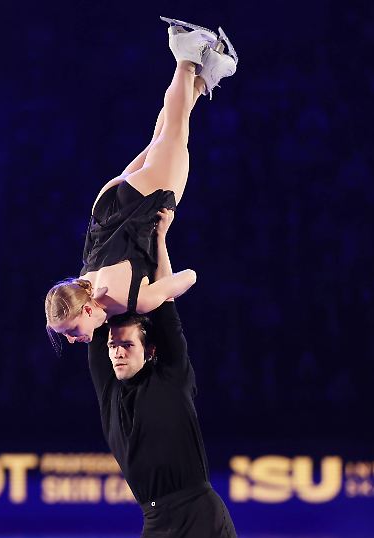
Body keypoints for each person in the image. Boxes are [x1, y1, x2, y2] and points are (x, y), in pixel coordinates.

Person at [92, 196, 280, 538]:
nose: (116, 352)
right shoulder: (108, 389)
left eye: (126, 344)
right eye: (113, 345)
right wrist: (96, 251)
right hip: (155, 528)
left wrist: (159, 239)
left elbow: (167, 304)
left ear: (149, 350)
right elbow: (90, 310)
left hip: (197, 519)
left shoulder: (171, 375)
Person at [44, 19, 237, 346]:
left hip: (143, 204)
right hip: (106, 205)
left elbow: (188, 277)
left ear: (88, 311)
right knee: (164, 135)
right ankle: (208, 72)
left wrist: (160, 244)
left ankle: (186, 54)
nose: (74, 340)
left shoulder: (129, 300)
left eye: (72, 332)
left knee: (175, 130)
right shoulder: (84, 284)